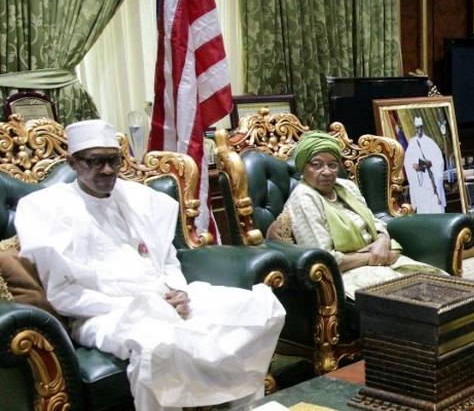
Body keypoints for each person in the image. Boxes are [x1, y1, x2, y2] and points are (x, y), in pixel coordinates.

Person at [14, 120, 286, 410]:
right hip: (104, 315)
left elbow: (167, 260)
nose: (107, 170)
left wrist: (177, 291)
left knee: (258, 309)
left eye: (113, 160)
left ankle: (242, 405)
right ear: (73, 163)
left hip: (167, 300)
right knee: (157, 345)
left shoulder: (138, 199)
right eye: (95, 161)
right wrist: (146, 305)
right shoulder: (46, 209)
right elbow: (64, 295)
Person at [279, 131, 445, 298]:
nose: (327, 172)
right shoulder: (303, 198)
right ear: (303, 167)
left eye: (333, 165)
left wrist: (383, 240)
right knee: (414, 302)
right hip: (349, 273)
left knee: (441, 285)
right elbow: (324, 259)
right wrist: (374, 256)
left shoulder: (346, 186)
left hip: (382, 259)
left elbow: (375, 221)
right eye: (316, 164)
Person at [403, 117, 446, 213]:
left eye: (421, 127)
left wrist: (426, 165)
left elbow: (438, 161)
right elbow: (409, 163)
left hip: (431, 182)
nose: (419, 129)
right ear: (415, 128)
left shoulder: (430, 142)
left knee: (435, 206)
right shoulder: (412, 143)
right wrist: (417, 167)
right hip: (420, 183)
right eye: (418, 127)